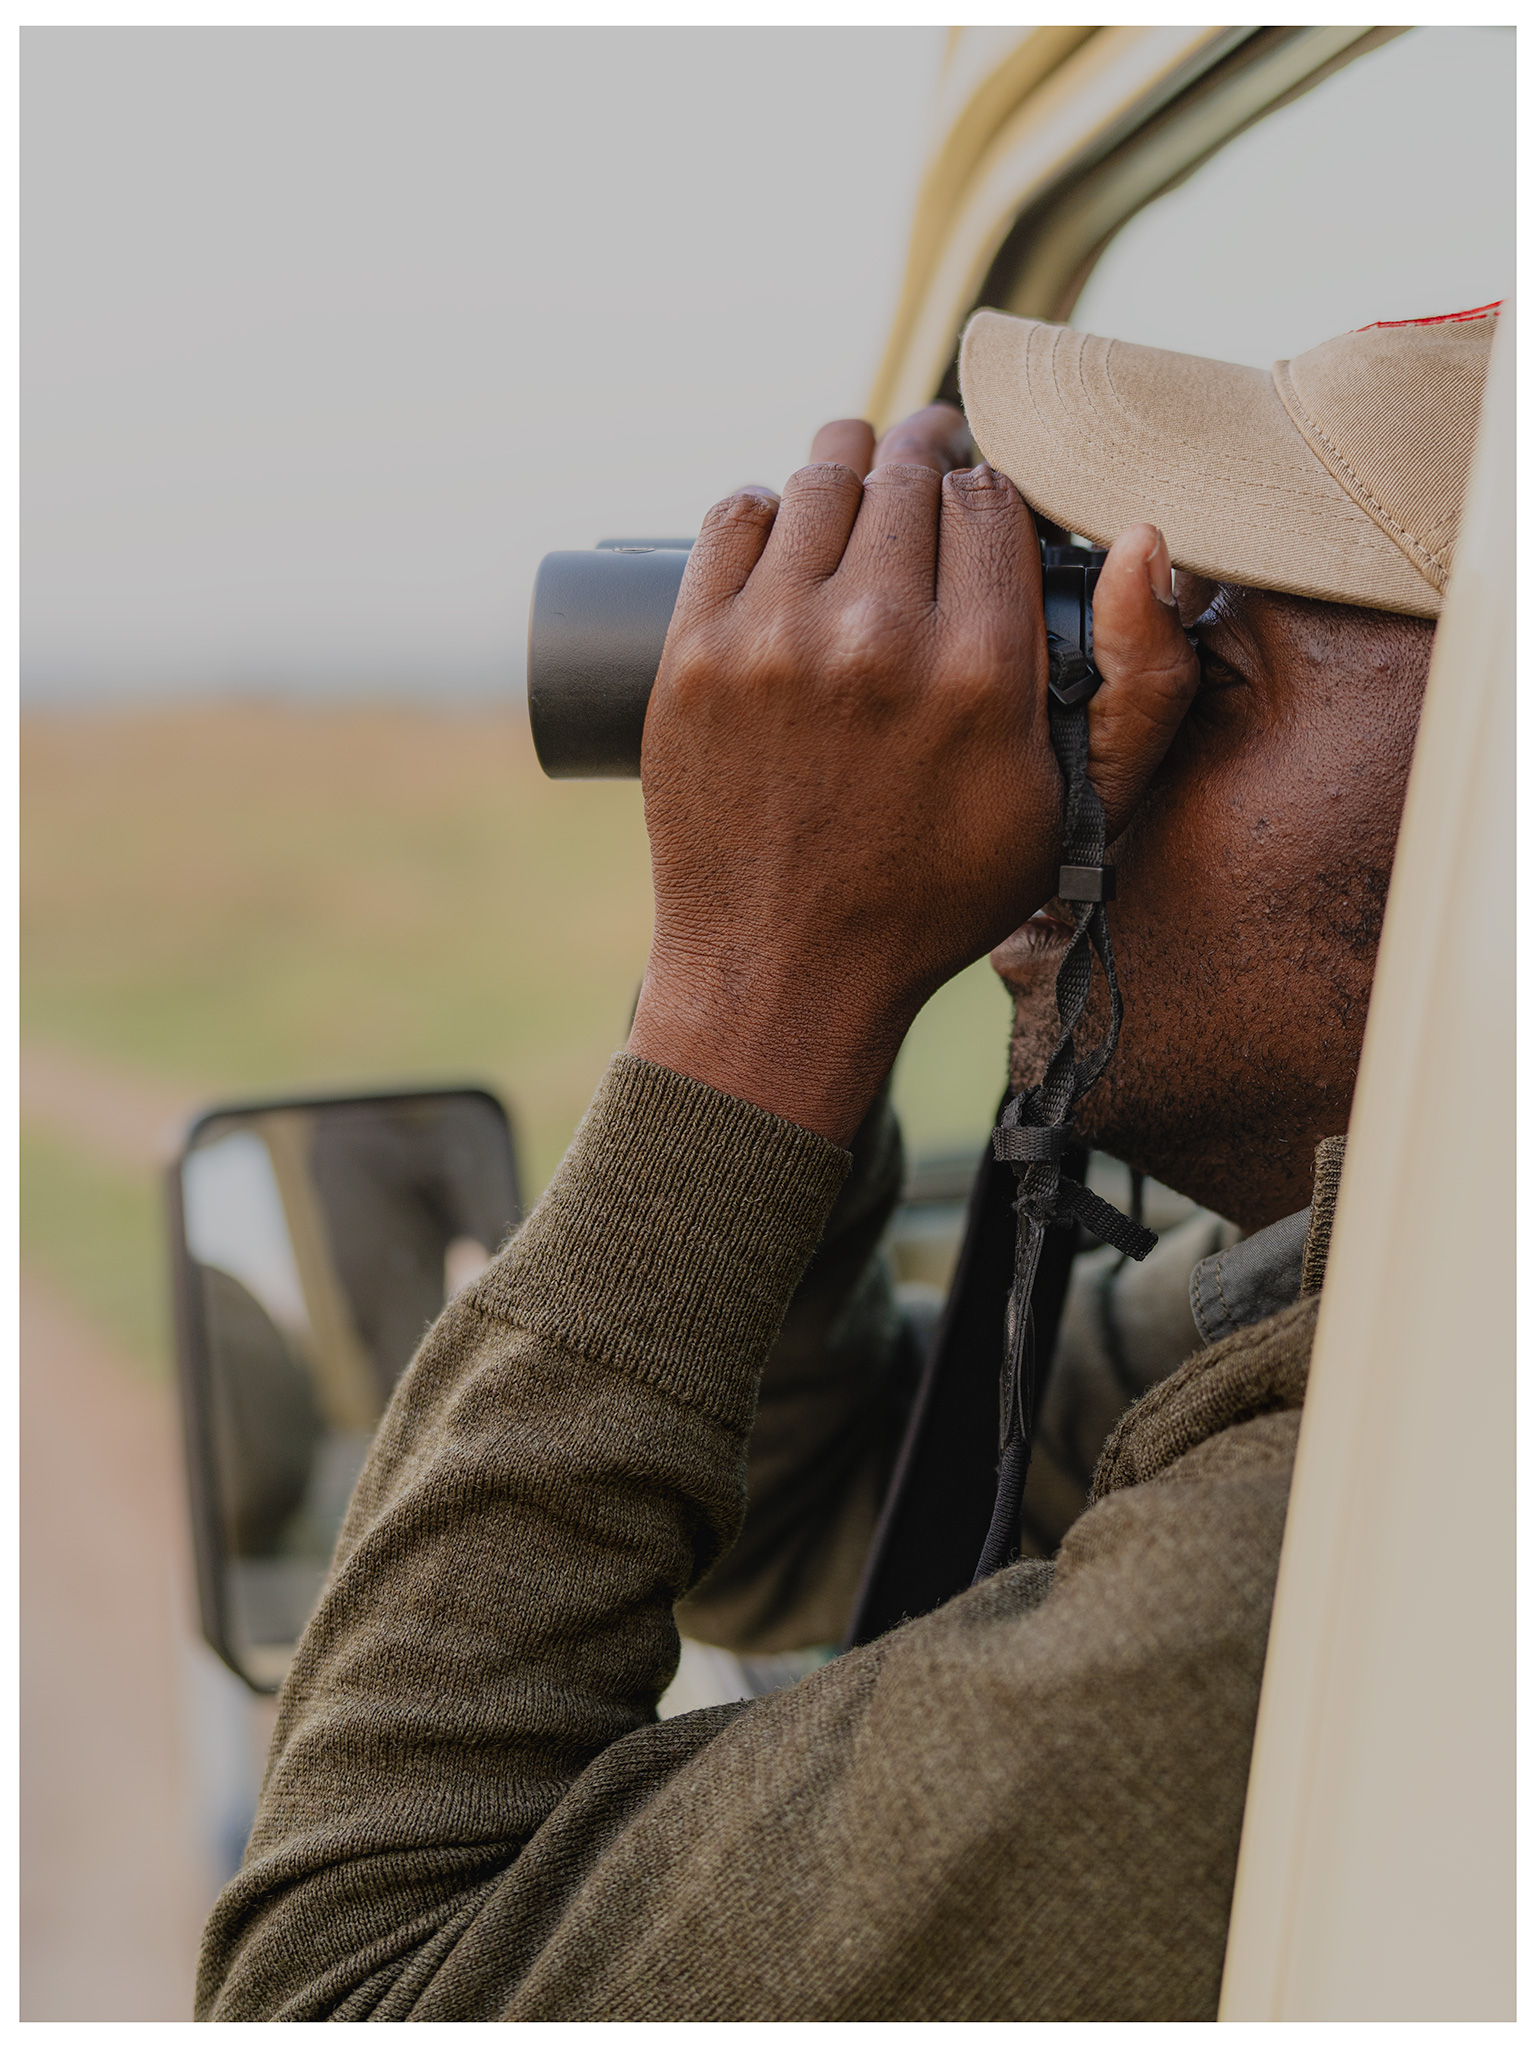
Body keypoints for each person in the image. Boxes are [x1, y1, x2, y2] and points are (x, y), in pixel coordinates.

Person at [195, 301, 1497, 2021]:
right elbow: (827, 1509)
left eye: (1215, 665)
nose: (1089, 721)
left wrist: (747, 994)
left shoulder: (1331, 1579)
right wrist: (820, 925)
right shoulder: (1426, 1277)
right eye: (1094, 633)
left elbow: (340, 1993)